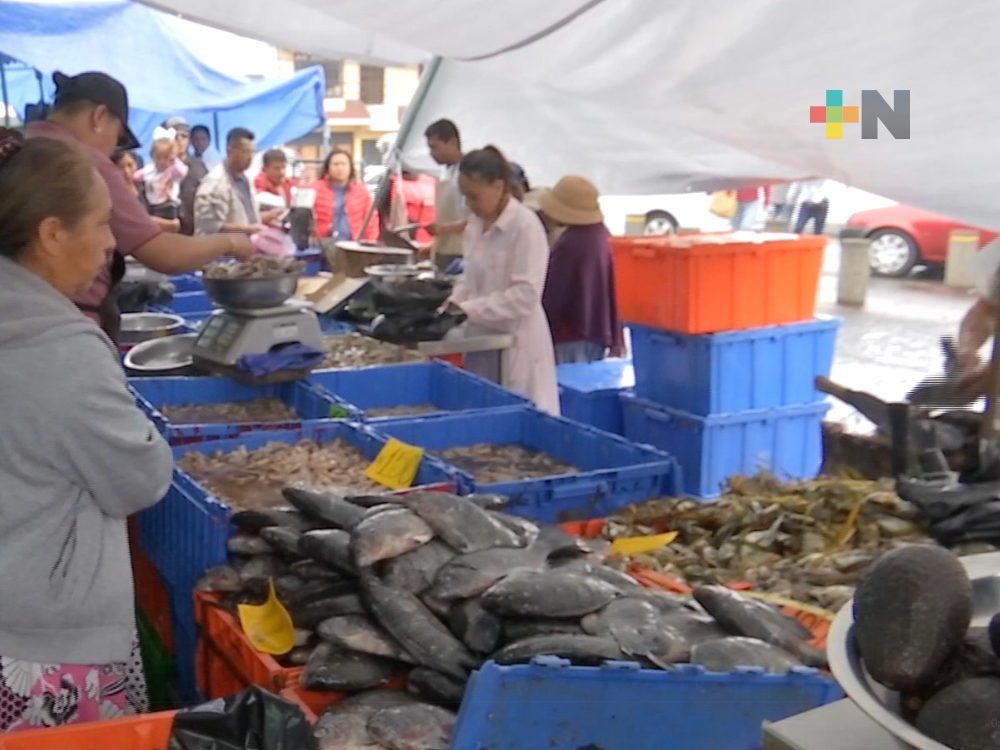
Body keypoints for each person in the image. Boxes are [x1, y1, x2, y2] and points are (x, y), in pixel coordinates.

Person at [0, 129, 174, 731]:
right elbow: (138, 480)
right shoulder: (61, 349)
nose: (108, 245)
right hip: (45, 651)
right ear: (51, 233)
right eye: (100, 225)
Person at [25, 71, 252, 344]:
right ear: (99, 117)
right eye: (118, 138)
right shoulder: (81, 161)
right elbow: (164, 255)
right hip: (64, 329)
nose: (114, 151)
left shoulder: (23, 146)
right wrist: (230, 242)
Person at [445, 146, 560, 415]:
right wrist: (454, 300)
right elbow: (470, 277)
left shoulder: (525, 227)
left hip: (518, 343)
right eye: (465, 197)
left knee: (520, 422)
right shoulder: (475, 224)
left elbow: (524, 296)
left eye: (474, 196)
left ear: (498, 187)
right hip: (481, 342)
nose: (469, 205)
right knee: (484, 420)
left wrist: (468, 309)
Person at [538, 175, 625, 364]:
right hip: (597, 333)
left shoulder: (571, 243)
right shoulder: (603, 235)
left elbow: (554, 297)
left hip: (571, 335)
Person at [195, 127, 282, 236]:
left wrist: (265, 219)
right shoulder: (215, 183)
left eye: (252, 152)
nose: (250, 158)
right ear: (229, 151)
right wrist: (249, 229)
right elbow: (211, 227)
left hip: (247, 247)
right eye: (245, 152)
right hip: (222, 251)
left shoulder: (245, 180)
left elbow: (245, 217)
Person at [424, 119, 468, 270]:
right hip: (442, 250)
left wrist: (443, 229)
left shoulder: (468, 171)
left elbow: (476, 219)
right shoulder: (444, 172)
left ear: (452, 143)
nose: (431, 154)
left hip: (463, 251)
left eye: (435, 147)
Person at [311, 148, 378, 242]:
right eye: (336, 164)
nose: (340, 168)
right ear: (328, 167)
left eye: (344, 164)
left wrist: (370, 242)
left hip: (353, 247)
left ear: (350, 167)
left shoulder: (362, 191)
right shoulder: (315, 189)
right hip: (323, 247)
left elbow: (371, 220)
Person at [111, 150, 179, 233]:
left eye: (130, 165)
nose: (126, 171)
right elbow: (137, 219)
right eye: (121, 167)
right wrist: (170, 224)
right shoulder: (114, 194)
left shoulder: (143, 186)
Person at [134, 129, 188, 221]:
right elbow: (136, 176)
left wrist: (174, 160)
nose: (162, 161)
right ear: (152, 156)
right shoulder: (149, 170)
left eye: (166, 157)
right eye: (158, 157)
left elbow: (182, 172)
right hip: (152, 205)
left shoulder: (173, 170)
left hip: (169, 205)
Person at [169, 117, 208, 236]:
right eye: (175, 137)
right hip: (169, 229)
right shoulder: (160, 166)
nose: (180, 140)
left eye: (184, 137)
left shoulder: (198, 166)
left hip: (194, 228)